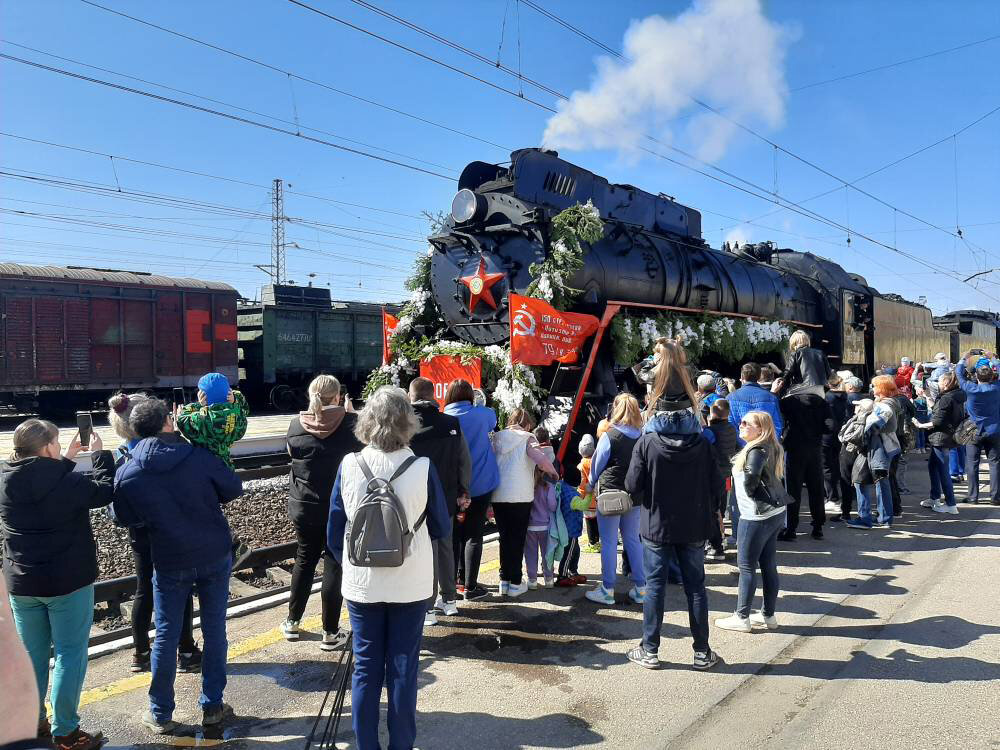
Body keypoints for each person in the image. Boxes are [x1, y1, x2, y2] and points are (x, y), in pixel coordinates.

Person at [327, 386, 450, 750]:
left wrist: (353, 566)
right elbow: (442, 527)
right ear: (407, 423)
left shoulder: (349, 465)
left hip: (362, 584)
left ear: (367, 422)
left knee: (365, 667)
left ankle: (366, 745)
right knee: (402, 668)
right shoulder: (422, 467)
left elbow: (335, 531)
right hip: (410, 585)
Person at [112, 399, 244, 733]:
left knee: (166, 634)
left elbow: (123, 517)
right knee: (215, 631)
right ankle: (212, 706)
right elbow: (233, 487)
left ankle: (159, 713)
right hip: (213, 554)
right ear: (169, 422)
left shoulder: (129, 470)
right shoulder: (198, 456)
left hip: (170, 560)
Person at [1, 420, 114, 750]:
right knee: (69, 654)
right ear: (48, 447)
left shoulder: (6, 478)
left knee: (32, 655)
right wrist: (100, 454)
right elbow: (105, 489)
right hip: (67, 583)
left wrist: (64, 459)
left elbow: (41, 485)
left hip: (23, 583)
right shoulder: (68, 483)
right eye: (57, 442)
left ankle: (33, 721)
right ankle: (65, 733)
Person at [624, 381, 724, 671]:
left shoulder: (646, 443)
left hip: (657, 523)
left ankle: (650, 649)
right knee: (696, 588)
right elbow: (718, 485)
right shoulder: (703, 444)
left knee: (655, 587)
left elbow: (632, 485)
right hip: (694, 523)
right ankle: (702, 652)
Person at [107, 393, 200, 674]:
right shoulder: (168, 451)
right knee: (181, 590)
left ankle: (140, 653)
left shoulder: (120, 455)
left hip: (140, 536)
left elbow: (116, 508)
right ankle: (185, 650)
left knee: (143, 590)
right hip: (172, 535)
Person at [283, 375, 361, 649]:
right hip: (338, 507)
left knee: (304, 559)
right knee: (334, 563)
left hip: (304, 506)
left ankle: (292, 623)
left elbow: (292, 455)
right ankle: (330, 632)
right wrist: (351, 415)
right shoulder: (352, 424)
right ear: (338, 397)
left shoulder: (296, 425)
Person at [407, 377, 471, 625]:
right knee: (445, 546)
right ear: (433, 395)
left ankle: (427, 608)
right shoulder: (451, 422)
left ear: (411, 396)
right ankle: (450, 600)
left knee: (424, 552)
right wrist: (464, 490)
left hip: (413, 498)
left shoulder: (405, 425)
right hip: (445, 495)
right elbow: (464, 461)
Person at [715, 411, 785, 632]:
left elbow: (752, 477)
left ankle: (742, 616)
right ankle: (768, 615)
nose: (741, 425)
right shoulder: (772, 445)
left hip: (755, 515)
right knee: (767, 564)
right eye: (741, 421)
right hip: (773, 512)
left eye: (747, 423)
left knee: (746, 567)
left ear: (760, 429)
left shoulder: (756, 449)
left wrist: (750, 490)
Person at [584, 393, 646, 606]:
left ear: (615, 410)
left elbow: (596, 467)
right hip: (635, 495)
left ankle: (607, 589)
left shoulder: (609, 436)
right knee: (633, 540)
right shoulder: (642, 435)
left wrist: (590, 487)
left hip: (610, 494)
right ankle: (641, 588)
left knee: (609, 542)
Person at [490, 409, 558, 597]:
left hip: (499, 495)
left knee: (504, 537)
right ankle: (515, 582)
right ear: (527, 424)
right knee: (517, 538)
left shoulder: (497, 438)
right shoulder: (528, 438)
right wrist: (553, 472)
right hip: (520, 496)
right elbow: (541, 459)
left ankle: (503, 581)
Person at [443, 379, 499, 601]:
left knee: (454, 535)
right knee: (474, 534)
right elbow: (493, 420)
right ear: (470, 396)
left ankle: (453, 582)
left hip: (453, 486)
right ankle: (470, 586)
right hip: (481, 483)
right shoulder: (483, 414)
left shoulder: (443, 417)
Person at [778, 381, 831, 541]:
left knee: (793, 489)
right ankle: (818, 526)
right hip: (814, 448)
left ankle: (791, 528)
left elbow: (779, 420)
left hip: (794, 448)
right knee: (816, 488)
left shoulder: (788, 402)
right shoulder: (821, 402)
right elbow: (830, 426)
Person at [846, 376, 900, 529]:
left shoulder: (885, 406)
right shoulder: (888, 403)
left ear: (881, 388)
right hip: (880, 449)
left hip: (878, 449)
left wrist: (862, 417)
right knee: (876, 482)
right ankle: (881, 518)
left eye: (875, 386)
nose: (872, 388)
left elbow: (873, 426)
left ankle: (871, 519)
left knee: (875, 482)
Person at [914, 371, 966, 515]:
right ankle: (935, 497)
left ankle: (951, 504)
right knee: (933, 466)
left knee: (943, 471)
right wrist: (927, 396)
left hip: (941, 437)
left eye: (938, 381)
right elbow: (938, 411)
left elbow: (937, 421)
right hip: (948, 435)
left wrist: (920, 425)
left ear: (945, 383)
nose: (936, 383)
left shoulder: (946, 398)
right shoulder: (957, 395)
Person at [175, 372, 249, 467]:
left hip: (203, 468)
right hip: (226, 467)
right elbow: (244, 409)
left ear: (203, 395)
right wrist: (234, 401)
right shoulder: (239, 417)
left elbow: (181, 420)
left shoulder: (200, 419)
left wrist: (198, 405)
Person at [956, 353, 1000, 505]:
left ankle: (973, 496)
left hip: (974, 429)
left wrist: (964, 358)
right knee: (994, 463)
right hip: (994, 429)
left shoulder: (970, 388)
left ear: (976, 376)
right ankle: (995, 497)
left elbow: (959, 373)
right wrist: (993, 358)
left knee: (972, 463)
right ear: (992, 376)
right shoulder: (996, 388)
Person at [524, 429, 559, 589]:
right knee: (547, 553)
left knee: (530, 553)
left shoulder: (528, 486)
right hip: (545, 526)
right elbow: (552, 505)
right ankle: (549, 578)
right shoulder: (549, 486)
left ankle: (532, 580)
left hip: (530, 526)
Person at [705, 399, 739, 561]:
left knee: (713, 509)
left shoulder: (710, 432)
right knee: (721, 507)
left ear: (712, 414)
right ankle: (721, 540)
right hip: (727, 474)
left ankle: (716, 544)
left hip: (712, 476)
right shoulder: (733, 429)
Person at [727, 362, 784, 440]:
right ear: (759, 376)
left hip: (742, 446)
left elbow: (730, 426)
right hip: (765, 445)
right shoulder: (771, 397)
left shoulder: (730, 397)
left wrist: (743, 444)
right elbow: (778, 425)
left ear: (741, 376)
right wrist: (768, 443)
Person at [776, 330, 832, 398]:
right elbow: (829, 374)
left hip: (802, 388)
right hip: (820, 390)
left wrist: (781, 381)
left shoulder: (796, 353)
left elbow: (788, 372)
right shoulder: (820, 353)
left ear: (793, 342)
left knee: (784, 400)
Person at [823, 375, 850, 518]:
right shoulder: (846, 397)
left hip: (827, 436)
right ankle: (843, 497)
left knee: (827, 467)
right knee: (839, 466)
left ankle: (832, 497)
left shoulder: (826, 398)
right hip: (841, 434)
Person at [576, 434, 600, 552]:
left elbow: (582, 482)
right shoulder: (597, 460)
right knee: (597, 519)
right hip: (597, 496)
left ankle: (593, 543)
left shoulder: (583, 464)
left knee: (589, 519)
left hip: (587, 497)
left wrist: (579, 493)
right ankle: (597, 539)